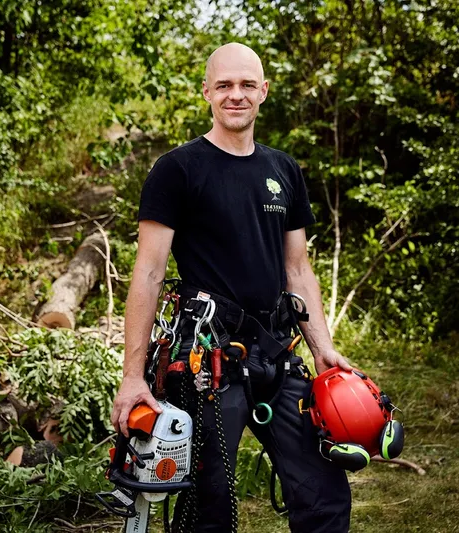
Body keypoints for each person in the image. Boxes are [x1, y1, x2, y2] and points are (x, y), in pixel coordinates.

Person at [110, 42, 353, 532]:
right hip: (210, 362)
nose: (235, 95)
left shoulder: (283, 170)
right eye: (224, 85)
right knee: (209, 506)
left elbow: (298, 270)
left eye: (246, 85)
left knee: (325, 490)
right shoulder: (177, 170)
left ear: (263, 92)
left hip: (278, 356)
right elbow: (149, 273)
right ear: (206, 92)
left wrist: (323, 349)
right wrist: (132, 377)